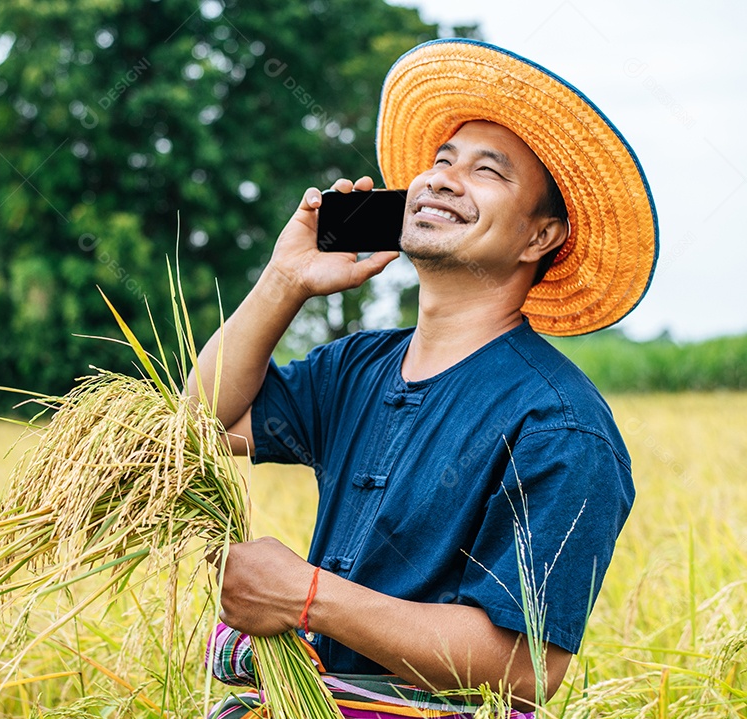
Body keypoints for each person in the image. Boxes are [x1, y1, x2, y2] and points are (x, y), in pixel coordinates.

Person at [191, 39, 658, 717]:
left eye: (487, 172)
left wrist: (308, 596)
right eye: (441, 161)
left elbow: (526, 669)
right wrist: (284, 279)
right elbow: (201, 422)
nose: (441, 179)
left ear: (539, 238)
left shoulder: (559, 425)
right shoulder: (355, 366)